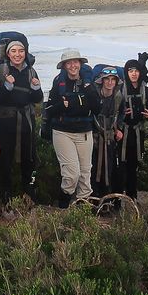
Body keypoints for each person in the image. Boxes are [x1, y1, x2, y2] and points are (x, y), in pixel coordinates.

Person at [0, 40, 43, 205]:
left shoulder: (31, 71)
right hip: (5, 125)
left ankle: (30, 198)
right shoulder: (1, 71)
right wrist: (7, 86)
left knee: (30, 162)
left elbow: (38, 99)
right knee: (4, 163)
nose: (17, 54)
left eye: (21, 51)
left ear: (25, 53)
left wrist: (36, 88)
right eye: (13, 51)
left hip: (27, 124)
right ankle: (5, 201)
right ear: (8, 54)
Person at [46, 48, 100, 207]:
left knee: (85, 173)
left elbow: (97, 108)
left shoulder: (88, 83)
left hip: (85, 132)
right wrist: (62, 105)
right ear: (64, 66)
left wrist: (87, 92)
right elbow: (49, 109)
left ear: (80, 64)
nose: (72, 66)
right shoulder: (58, 83)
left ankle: (82, 211)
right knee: (71, 174)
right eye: (68, 63)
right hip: (63, 132)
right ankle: (63, 207)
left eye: (75, 62)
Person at [120, 54, 148, 200]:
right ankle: (117, 200)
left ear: (140, 73)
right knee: (120, 166)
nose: (134, 73)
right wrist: (121, 115)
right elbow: (111, 112)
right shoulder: (120, 90)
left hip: (137, 134)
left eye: (136, 70)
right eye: (130, 71)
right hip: (121, 134)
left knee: (133, 166)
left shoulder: (147, 92)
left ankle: (132, 197)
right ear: (126, 73)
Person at [91, 65, 125, 200]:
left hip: (110, 138)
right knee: (93, 169)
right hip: (94, 138)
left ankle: (106, 200)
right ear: (102, 80)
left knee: (109, 169)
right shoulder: (94, 95)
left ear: (116, 82)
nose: (110, 82)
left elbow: (121, 113)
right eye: (107, 79)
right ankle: (93, 199)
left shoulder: (119, 97)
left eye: (113, 79)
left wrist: (119, 129)